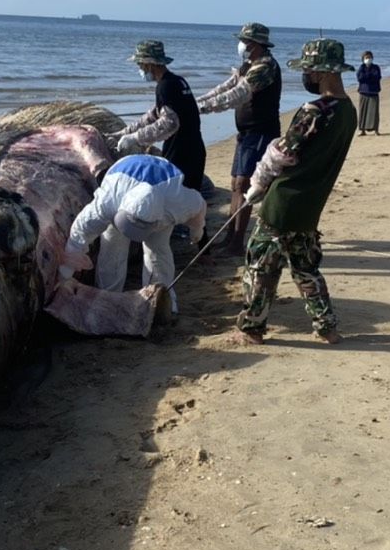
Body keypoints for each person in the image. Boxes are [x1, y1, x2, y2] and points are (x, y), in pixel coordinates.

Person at [235, 38, 357, 345]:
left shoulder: (314, 111)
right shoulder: (348, 110)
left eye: (309, 70)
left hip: (283, 201)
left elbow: (283, 153)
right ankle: (327, 327)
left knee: (260, 266)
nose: (307, 76)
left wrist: (258, 184)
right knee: (306, 268)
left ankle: (252, 327)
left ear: (321, 72)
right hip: (311, 204)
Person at [61, 152, 206, 314]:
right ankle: (109, 297)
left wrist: (197, 231)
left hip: (165, 182)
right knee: (112, 247)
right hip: (123, 171)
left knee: (158, 250)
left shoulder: (177, 202)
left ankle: (161, 300)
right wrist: (65, 273)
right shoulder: (107, 201)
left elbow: (200, 208)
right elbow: (79, 233)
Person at [196, 21, 282, 254]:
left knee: (245, 184)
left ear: (257, 44)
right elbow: (225, 88)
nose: (241, 45)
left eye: (245, 41)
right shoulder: (249, 65)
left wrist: (201, 109)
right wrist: (195, 102)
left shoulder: (265, 67)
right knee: (235, 183)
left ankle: (237, 242)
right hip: (245, 133)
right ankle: (229, 236)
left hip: (261, 132)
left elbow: (237, 95)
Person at [117, 40, 206, 193]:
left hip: (181, 154)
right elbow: (153, 115)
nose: (140, 69)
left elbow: (169, 123)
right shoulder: (178, 81)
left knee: (176, 200)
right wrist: (123, 133)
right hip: (195, 149)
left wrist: (135, 138)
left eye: (140, 64)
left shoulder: (165, 86)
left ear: (150, 64)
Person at [355, 51, 381, 135]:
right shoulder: (361, 67)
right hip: (363, 92)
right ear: (363, 59)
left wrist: (367, 76)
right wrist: (368, 76)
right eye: (366, 58)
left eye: (369, 57)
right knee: (363, 112)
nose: (368, 59)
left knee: (374, 112)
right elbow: (359, 78)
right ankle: (362, 130)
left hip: (374, 92)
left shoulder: (376, 67)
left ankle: (376, 130)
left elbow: (377, 77)